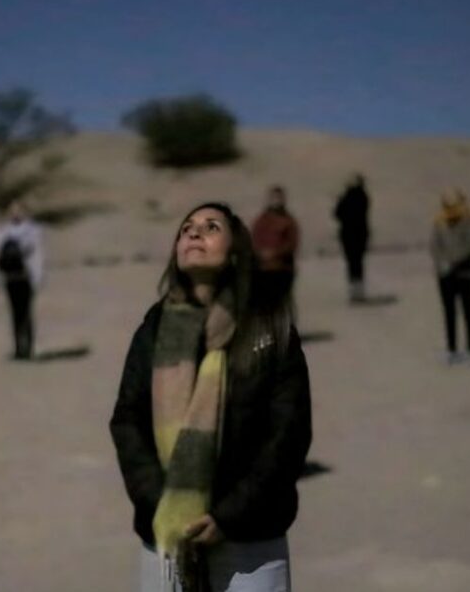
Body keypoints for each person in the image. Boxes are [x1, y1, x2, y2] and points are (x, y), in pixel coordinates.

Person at [110, 202, 312, 592]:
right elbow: (127, 421)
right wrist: (160, 502)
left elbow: (288, 433)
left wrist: (227, 517)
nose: (194, 233)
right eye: (186, 228)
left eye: (211, 226)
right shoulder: (154, 327)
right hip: (166, 536)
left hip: (248, 539)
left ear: (236, 250)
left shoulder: (268, 324)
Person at [430, 189, 470, 364]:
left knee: (468, 312)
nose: (449, 210)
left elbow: (469, 246)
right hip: (445, 275)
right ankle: (451, 349)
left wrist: (451, 262)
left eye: (453, 206)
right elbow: (434, 246)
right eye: (446, 206)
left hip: (465, 274)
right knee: (449, 312)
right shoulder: (439, 223)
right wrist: (441, 263)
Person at [0, 201, 44, 360]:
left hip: (26, 278)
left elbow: (37, 255)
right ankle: (19, 349)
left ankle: (29, 348)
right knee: (15, 314)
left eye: (19, 210)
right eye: (12, 210)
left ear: (25, 212)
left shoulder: (33, 231)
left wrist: (38, 278)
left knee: (26, 313)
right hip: (10, 279)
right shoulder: (3, 232)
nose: (15, 213)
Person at [250, 186, 300, 312]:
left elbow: (292, 243)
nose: (276, 201)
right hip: (262, 267)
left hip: (282, 267)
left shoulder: (289, 221)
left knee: (281, 301)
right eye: (273, 198)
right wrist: (260, 253)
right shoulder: (261, 220)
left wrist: (276, 253)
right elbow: (254, 239)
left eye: (279, 198)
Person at [333, 174, 370, 303]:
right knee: (357, 263)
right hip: (359, 234)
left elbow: (337, 214)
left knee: (352, 263)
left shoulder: (349, 197)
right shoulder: (363, 196)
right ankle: (358, 292)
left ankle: (355, 292)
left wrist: (340, 200)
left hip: (349, 234)